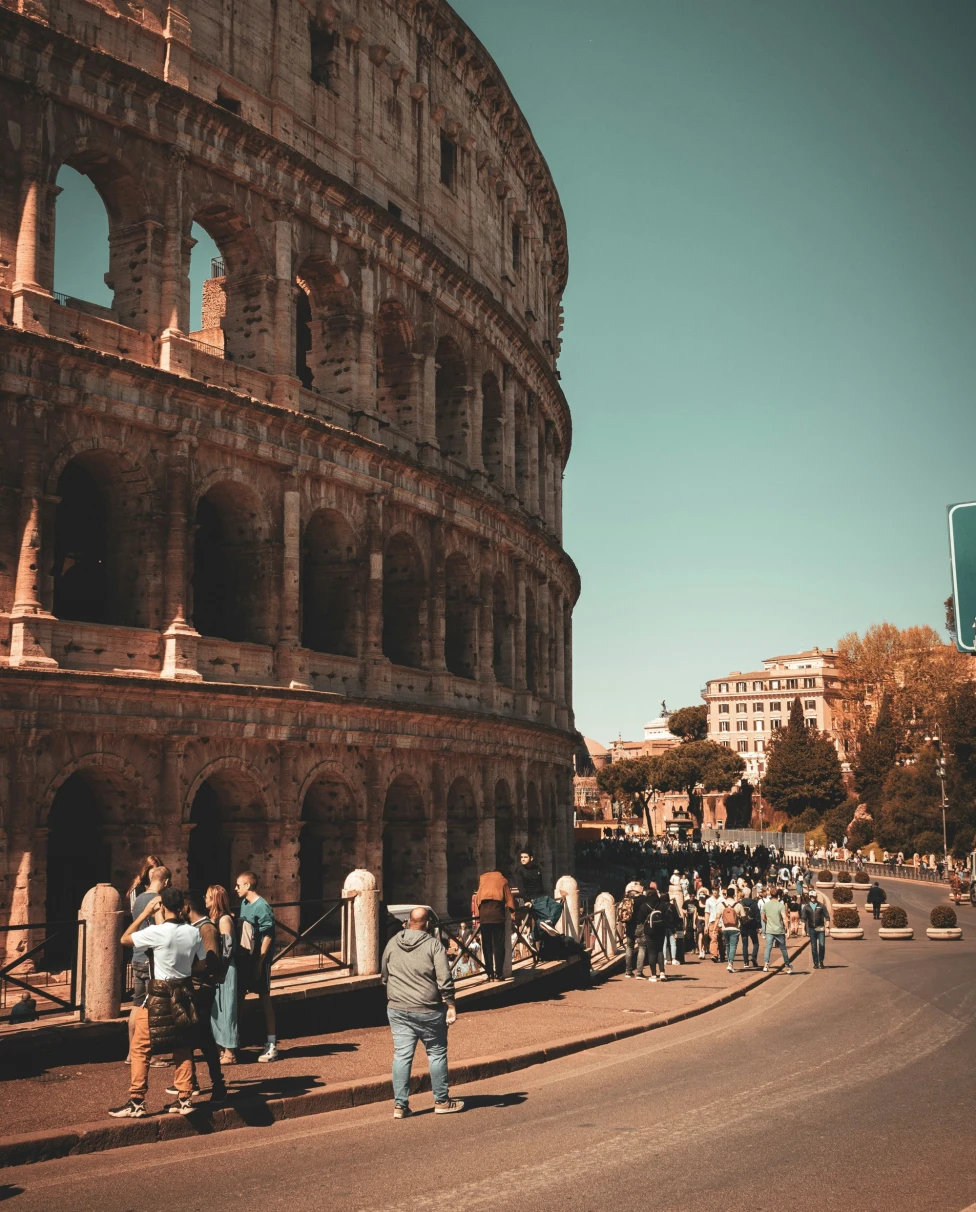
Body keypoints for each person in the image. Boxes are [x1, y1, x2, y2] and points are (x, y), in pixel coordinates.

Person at [110, 887, 206, 1118]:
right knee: (182, 1046)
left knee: (141, 1048)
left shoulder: (157, 932)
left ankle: (137, 1101)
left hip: (157, 996)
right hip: (182, 994)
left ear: (162, 906)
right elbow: (202, 964)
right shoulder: (193, 932)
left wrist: (144, 914)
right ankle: (184, 1098)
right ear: (182, 907)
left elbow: (124, 939)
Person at [381, 906, 464, 1118]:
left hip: (397, 1007)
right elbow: (444, 979)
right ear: (428, 924)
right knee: (436, 1053)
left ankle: (400, 1106)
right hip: (428, 1009)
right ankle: (441, 1101)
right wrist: (451, 1004)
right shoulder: (434, 945)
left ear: (408, 922)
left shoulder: (392, 942)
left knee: (401, 1055)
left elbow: (384, 975)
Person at [180, 889, 228, 1104]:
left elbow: (213, 961)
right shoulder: (193, 928)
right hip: (193, 989)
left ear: (187, 908)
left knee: (205, 1040)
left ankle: (218, 1085)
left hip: (203, 989)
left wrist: (188, 967)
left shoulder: (206, 929)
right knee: (191, 1038)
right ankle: (191, 1084)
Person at [127, 865, 171, 1060]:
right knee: (151, 1008)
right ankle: (148, 1054)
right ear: (167, 882)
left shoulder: (138, 899)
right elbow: (162, 929)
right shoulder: (157, 900)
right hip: (150, 960)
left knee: (136, 1006)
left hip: (137, 956)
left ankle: (131, 1052)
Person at [234, 871, 278, 1062]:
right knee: (240, 997)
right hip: (245, 957)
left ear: (248, 886)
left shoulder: (263, 907)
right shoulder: (244, 904)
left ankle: (272, 1044)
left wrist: (260, 962)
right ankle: (235, 1039)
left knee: (265, 999)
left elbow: (268, 935)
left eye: (238, 885)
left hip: (260, 960)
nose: (235, 888)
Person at [205, 884, 239, 1065]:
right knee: (216, 1010)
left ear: (215, 899)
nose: (205, 900)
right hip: (219, 969)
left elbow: (227, 947)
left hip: (225, 969)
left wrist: (219, 969)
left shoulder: (224, 920)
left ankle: (230, 1052)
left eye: (208, 897)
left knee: (226, 1009)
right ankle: (221, 1047)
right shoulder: (214, 918)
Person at [474, 868, 515, 981]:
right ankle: (499, 974)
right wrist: (512, 912)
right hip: (497, 916)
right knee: (499, 946)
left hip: (484, 917)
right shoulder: (502, 880)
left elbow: (478, 899)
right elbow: (509, 899)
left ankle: (490, 974)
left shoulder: (483, 880)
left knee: (487, 946)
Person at [517, 851, 562, 939]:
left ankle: (547, 924)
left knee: (558, 907)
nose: (523, 859)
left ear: (531, 858)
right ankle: (533, 936)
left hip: (544, 896)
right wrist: (527, 901)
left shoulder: (537, 868)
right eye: (521, 857)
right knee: (546, 917)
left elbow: (540, 883)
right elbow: (521, 888)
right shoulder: (519, 871)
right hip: (535, 899)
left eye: (525, 857)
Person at [761, 889, 793, 974]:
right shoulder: (780, 905)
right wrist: (788, 930)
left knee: (768, 947)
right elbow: (785, 918)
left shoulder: (766, 905)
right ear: (778, 895)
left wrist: (768, 923)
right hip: (779, 930)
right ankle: (787, 966)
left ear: (770, 895)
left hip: (769, 930)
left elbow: (763, 917)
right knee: (783, 949)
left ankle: (766, 965)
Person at [642, 890, 668, 982]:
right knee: (660, 950)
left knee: (652, 952)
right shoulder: (662, 904)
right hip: (661, 930)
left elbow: (640, 919)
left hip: (649, 931)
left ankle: (653, 975)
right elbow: (665, 916)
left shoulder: (645, 905)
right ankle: (662, 973)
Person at [800, 893, 830, 969]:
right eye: (811, 896)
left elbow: (827, 917)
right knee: (814, 946)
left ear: (816, 897)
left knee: (822, 945)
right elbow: (803, 919)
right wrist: (803, 930)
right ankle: (815, 962)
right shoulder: (806, 907)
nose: (812, 898)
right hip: (811, 928)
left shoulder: (822, 906)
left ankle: (821, 961)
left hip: (820, 928)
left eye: (814, 896)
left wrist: (827, 927)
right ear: (809, 897)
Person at [721, 890, 746, 972]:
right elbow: (743, 917)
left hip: (725, 928)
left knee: (727, 945)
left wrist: (715, 928)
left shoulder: (721, 904)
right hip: (735, 929)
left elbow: (717, 916)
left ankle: (729, 962)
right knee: (733, 946)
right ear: (734, 895)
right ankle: (730, 963)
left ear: (726, 895)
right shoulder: (738, 905)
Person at [739, 886, 761, 969]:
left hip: (743, 925)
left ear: (743, 894)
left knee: (745, 944)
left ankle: (745, 962)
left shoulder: (740, 903)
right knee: (755, 942)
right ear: (750, 893)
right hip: (752, 925)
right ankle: (754, 956)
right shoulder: (754, 903)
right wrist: (759, 926)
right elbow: (757, 915)